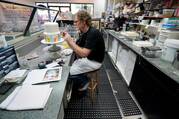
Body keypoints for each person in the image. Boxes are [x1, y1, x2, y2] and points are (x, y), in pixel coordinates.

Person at [63, 10, 105, 97]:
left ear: (83, 21)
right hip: (90, 58)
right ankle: (80, 82)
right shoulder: (85, 32)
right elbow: (77, 45)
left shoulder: (93, 33)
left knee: (69, 73)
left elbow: (83, 54)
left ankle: (85, 81)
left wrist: (70, 41)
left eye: (76, 21)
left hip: (95, 62)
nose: (75, 23)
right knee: (73, 65)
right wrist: (70, 41)